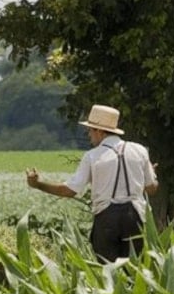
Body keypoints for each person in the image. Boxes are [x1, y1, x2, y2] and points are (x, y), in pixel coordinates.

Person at [26, 104, 158, 262]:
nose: (89, 135)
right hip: (135, 217)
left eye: (90, 130)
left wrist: (38, 184)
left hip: (107, 218)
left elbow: (68, 191)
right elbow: (152, 188)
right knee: (135, 268)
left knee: (107, 269)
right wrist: (148, 175)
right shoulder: (139, 150)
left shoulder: (92, 156)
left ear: (99, 131)